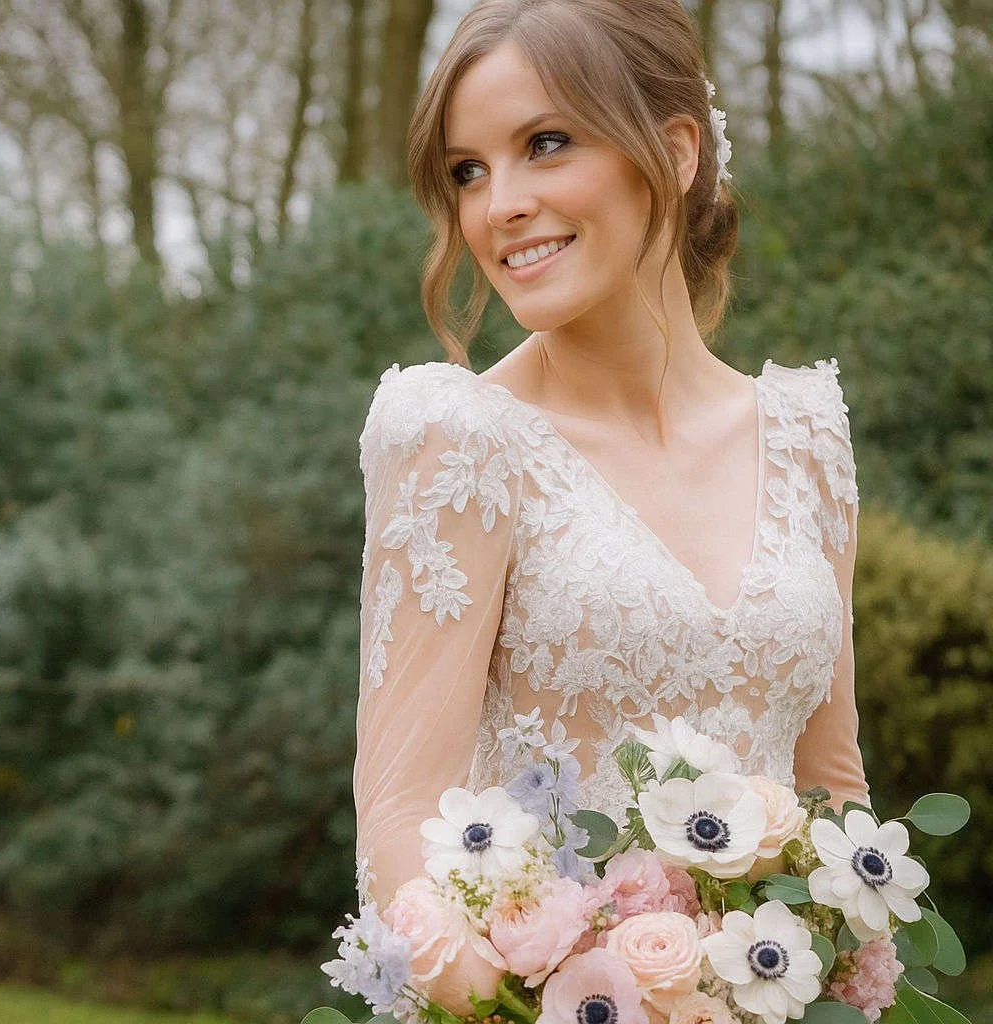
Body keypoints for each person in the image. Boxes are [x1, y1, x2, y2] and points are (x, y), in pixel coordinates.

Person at [353, 0, 870, 960]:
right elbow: (397, 815)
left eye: (545, 144)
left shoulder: (806, 439)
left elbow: (833, 787)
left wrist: (829, 967)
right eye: (469, 171)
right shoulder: (460, 442)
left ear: (673, 152)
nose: (497, 203)